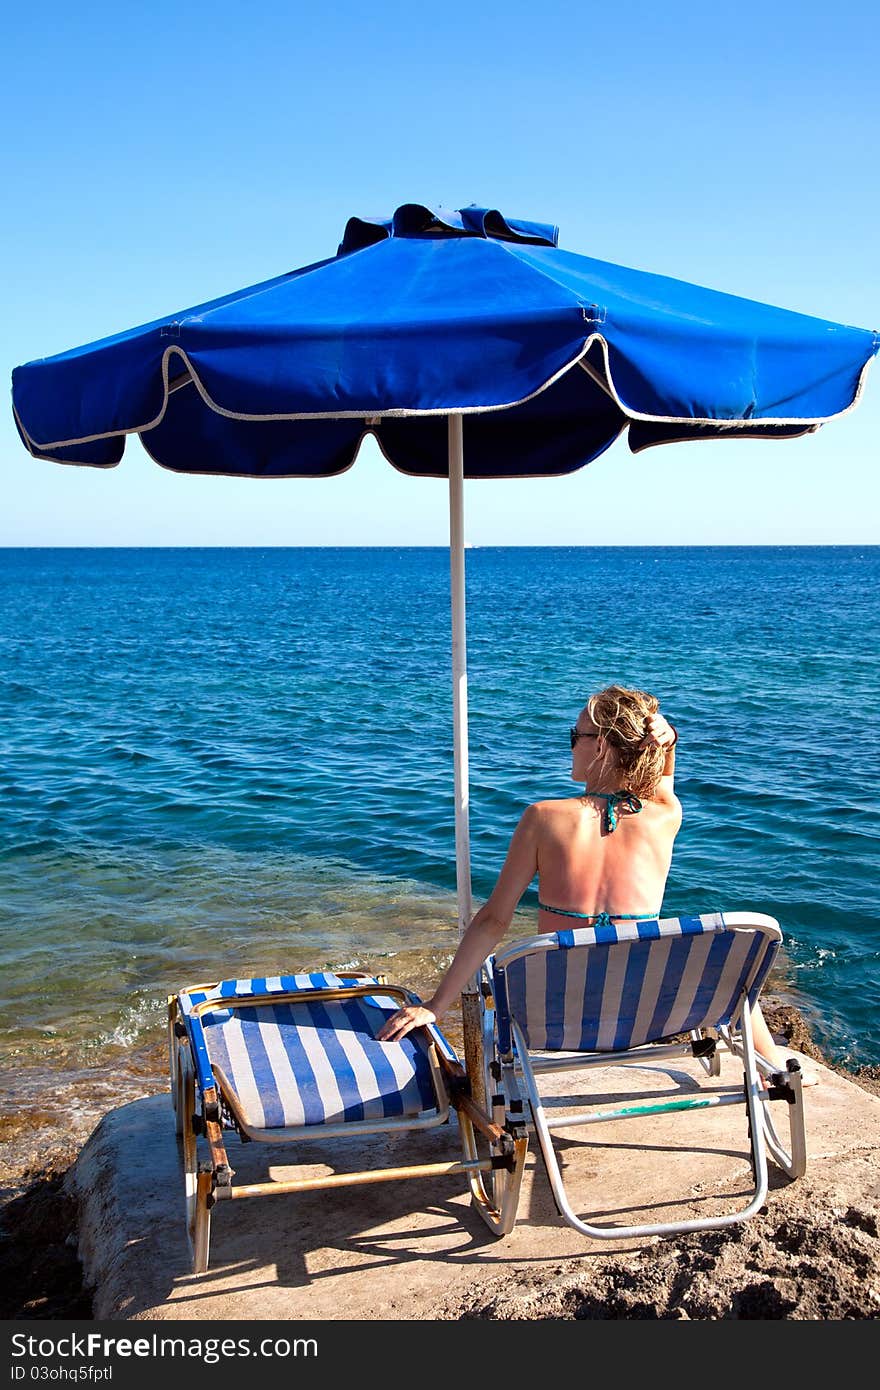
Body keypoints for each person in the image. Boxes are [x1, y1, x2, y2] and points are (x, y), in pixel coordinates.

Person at [378, 683, 796, 1075]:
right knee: (726, 966)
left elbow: (494, 921)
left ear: (600, 745)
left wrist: (437, 1003)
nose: (570, 745)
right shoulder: (666, 815)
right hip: (646, 1013)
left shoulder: (543, 818)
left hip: (558, 1017)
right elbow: (663, 780)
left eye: (574, 736)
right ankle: (771, 1068)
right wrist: (669, 742)